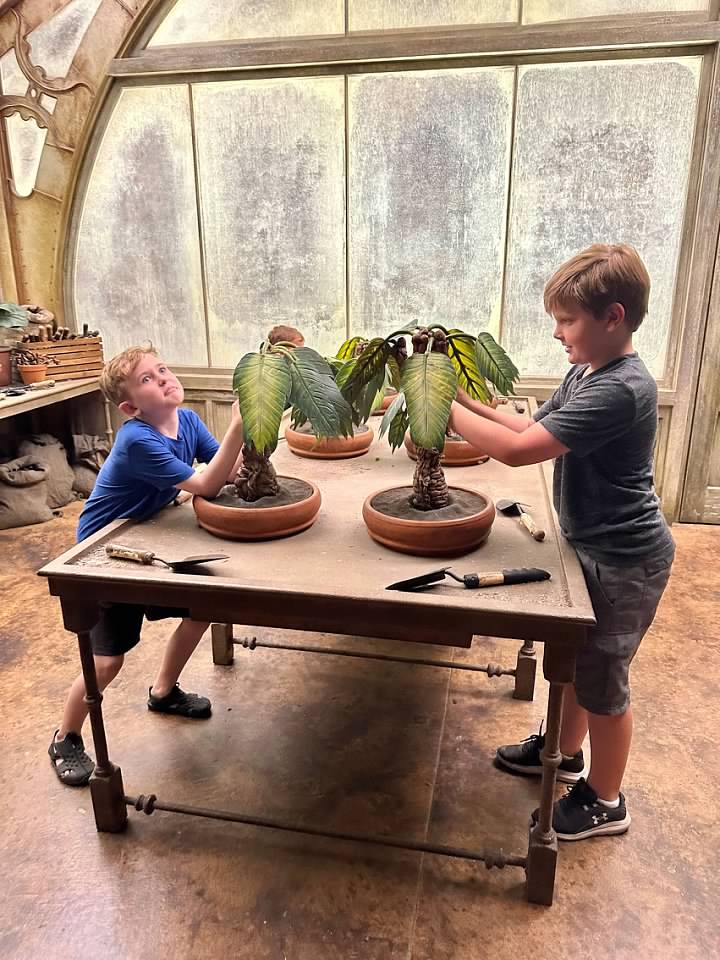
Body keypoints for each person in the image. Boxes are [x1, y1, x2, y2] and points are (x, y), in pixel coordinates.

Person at [448, 243, 675, 841]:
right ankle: (563, 751)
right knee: (577, 663)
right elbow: (529, 423)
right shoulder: (586, 371)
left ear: (613, 317)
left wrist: (443, 410)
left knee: (604, 683)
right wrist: (464, 399)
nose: (557, 333)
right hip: (593, 546)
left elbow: (520, 450)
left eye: (567, 320)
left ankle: (606, 799)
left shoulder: (621, 389)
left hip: (625, 561)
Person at [49, 345, 244, 787]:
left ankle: (163, 692)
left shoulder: (188, 421)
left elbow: (226, 473)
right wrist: (237, 425)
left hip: (149, 537)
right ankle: (65, 736)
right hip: (106, 552)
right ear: (130, 407)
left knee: (201, 609)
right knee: (106, 662)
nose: (163, 378)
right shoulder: (137, 440)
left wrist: (252, 428)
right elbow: (206, 483)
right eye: (147, 379)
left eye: (162, 369)